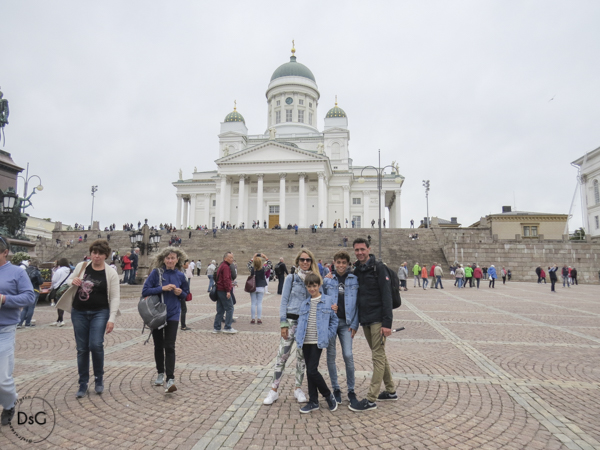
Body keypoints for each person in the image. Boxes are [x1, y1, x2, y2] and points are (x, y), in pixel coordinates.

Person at [58, 239, 120, 398]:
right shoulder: (82, 266)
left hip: (100, 312)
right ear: (90, 253)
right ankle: (83, 382)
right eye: (94, 253)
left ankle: (99, 378)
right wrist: (74, 281)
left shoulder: (110, 272)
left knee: (96, 345)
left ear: (105, 255)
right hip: (79, 312)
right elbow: (70, 280)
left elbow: (114, 297)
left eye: (100, 254)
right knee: (82, 348)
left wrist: (111, 318)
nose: (96, 256)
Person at [263, 249, 318, 406]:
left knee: (302, 358)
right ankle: (274, 390)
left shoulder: (314, 280)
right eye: (302, 259)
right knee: (282, 355)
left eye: (308, 260)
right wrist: (283, 323)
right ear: (297, 261)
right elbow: (284, 301)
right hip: (291, 321)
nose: (305, 262)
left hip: (305, 323)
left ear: (311, 261)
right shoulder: (291, 279)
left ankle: (298, 388)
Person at [349, 237, 395, 412]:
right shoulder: (358, 269)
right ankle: (390, 391)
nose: (360, 252)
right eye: (357, 250)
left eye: (362, 249)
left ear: (369, 249)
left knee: (377, 356)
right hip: (365, 319)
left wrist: (387, 323)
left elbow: (387, 296)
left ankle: (371, 398)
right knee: (380, 354)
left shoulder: (379, 268)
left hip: (378, 320)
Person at [142, 247, 189, 393]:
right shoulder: (157, 273)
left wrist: (180, 292)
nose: (170, 260)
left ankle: (170, 377)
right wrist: (162, 288)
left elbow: (187, 295)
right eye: (167, 258)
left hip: (173, 314)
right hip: (157, 314)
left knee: (170, 346)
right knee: (158, 345)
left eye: (173, 258)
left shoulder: (181, 276)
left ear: (177, 260)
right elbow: (145, 291)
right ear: (163, 260)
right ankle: (160, 373)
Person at [0, 237, 35, 426]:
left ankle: (9, 403)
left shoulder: (16, 273)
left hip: (4, 329)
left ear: (5, 252)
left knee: (2, 376)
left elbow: (29, 296)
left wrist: (5, 299)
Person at [295, 273, 339, 413]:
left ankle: (328, 395)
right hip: (305, 340)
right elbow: (299, 322)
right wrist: (298, 335)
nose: (312, 289)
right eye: (309, 286)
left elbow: (334, 320)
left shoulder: (328, 300)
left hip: (317, 340)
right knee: (309, 370)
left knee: (313, 370)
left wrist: (328, 334)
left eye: (314, 286)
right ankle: (313, 401)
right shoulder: (305, 303)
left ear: (319, 285)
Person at [323, 251, 359, 405]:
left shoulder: (354, 279)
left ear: (348, 264)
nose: (341, 265)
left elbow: (358, 304)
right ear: (334, 263)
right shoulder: (328, 280)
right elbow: (320, 298)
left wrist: (355, 324)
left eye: (344, 263)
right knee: (331, 356)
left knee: (348, 355)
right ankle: (336, 388)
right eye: (338, 262)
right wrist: (328, 306)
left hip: (347, 323)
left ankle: (351, 390)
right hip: (331, 323)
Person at [212, 252, 238, 334]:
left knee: (220, 310)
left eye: (232, 257)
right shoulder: (226, 267)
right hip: (223, 290)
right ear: (225, 258)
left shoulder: (221, 266)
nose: (232, 259)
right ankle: (227, 327)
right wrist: (228, 290)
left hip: (219, 290)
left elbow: (219, 278)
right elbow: (226, 279)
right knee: (230, 308)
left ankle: (217, 327)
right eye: (230, 257)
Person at [18, 260, 43, 328]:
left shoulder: (26, 270)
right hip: (34, 290)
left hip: (26, 290)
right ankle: (28, 323)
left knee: (25, 308)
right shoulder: (37, 272)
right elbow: (40, 282)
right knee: (31, 307)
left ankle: (20, 323)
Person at [247, 253, 272, 324]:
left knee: (253, 303)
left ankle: (252, 319)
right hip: (261, 287)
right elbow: (270, 265)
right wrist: (266, 257)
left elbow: (248, 264)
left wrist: (253, 258)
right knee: (259, 303)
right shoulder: (263, 269)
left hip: (253, 287)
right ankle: (259, 318)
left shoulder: (252, 269)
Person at [50, 258, 72, 326]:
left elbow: (54, 280)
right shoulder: (70, 271)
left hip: (59, 288)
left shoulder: (59, 271)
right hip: (67, 288)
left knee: (59, 304)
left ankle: (61, 320)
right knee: (62, 304)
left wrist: (52, 287)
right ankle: (59, 320)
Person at [181, 260, 193, 331]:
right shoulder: (181, 272)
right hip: (180, 294)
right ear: (183, 264)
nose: (188, 265)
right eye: (187, 264)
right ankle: (183, 325)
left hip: (182, 293)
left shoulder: (183, 271)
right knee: (183, 309)